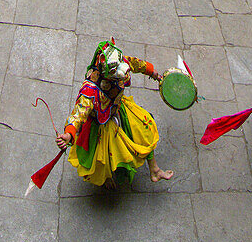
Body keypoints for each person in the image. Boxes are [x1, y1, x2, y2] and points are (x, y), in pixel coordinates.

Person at [56, 39, 173, 189]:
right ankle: (106, 178)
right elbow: (78, 114)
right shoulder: (89, 91)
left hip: (120, 109)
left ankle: (155, 170)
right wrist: (69, 134)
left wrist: (154, 74)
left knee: (146, 131)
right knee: (106, 159)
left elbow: (136, 64)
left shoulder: (118, 60)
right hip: (101, 125)